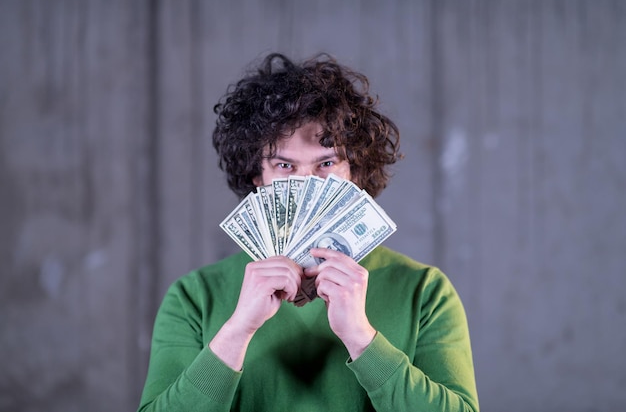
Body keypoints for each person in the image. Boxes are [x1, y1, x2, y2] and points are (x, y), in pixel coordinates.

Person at [137, 53, 479, 412]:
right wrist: (237, 330)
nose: (306, 183)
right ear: (258, 177)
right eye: (285, 165)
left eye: (326, 163)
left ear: (355, 173)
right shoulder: (195, 296)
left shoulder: (424, 291)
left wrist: (361, 338)